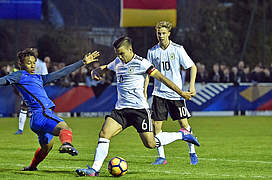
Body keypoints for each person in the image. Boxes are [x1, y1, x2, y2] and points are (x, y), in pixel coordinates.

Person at [75, 36, 200, 177]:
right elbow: (106, 67)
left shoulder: (142, 63)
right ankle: (94, 170)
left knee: (150, 144)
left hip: (139, 111)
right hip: (121, 110)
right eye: (117, 54)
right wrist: (96, 70)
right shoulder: (117, 61)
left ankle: (182, 134)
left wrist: (181, 92)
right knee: (104, 134)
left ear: (130, 49)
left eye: (122, 53)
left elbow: (163, 78)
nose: (120, 57)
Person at [0, 49, 99, 171]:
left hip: (36, 121)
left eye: (34, 62)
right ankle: (66, 144)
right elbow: (2, 80)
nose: (32, 65)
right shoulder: (19, 75)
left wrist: (83, 62)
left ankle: (32, 167)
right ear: (21, 63)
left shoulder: (39, 78)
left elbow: (61, 73)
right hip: (42, 113)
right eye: (29, 63)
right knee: (65, 128)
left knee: (46, 147)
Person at [145, 21, 199, 165]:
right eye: (159, 33)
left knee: (184, 124)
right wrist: (144, 92)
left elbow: (192, 67)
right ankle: (161, 157)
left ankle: (192, 152)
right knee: (156, 126)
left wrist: (191, 86)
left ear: (169, 33)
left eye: (163, 33)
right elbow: (147, 74)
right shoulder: (152, 52)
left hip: (176, 94)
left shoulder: (178, 49)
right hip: (159, 94)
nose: (161, 36)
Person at [14, 47, 48, 135]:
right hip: (28, 87)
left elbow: (45, 76)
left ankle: (45, 127)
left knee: (41, 108)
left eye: (34, 52)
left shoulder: (41, 64)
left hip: (37, 88)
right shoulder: (27, 63)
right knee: (24, 106)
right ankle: (20, 129)